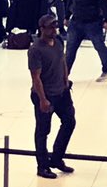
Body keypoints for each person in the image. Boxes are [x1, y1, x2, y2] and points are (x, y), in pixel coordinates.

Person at [29, 11, 76, 178]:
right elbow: (36, 77)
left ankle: (56, 158)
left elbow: (62, 61)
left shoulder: (58, 42)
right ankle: (42, 166)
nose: (54, 30)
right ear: (41, 29)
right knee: (43, 130)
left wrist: (66, 81)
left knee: (69, 122)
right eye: (50, 27)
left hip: (62, 92)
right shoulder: (35, 50)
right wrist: (42, 99)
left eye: (55, 26)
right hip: (46, 94)